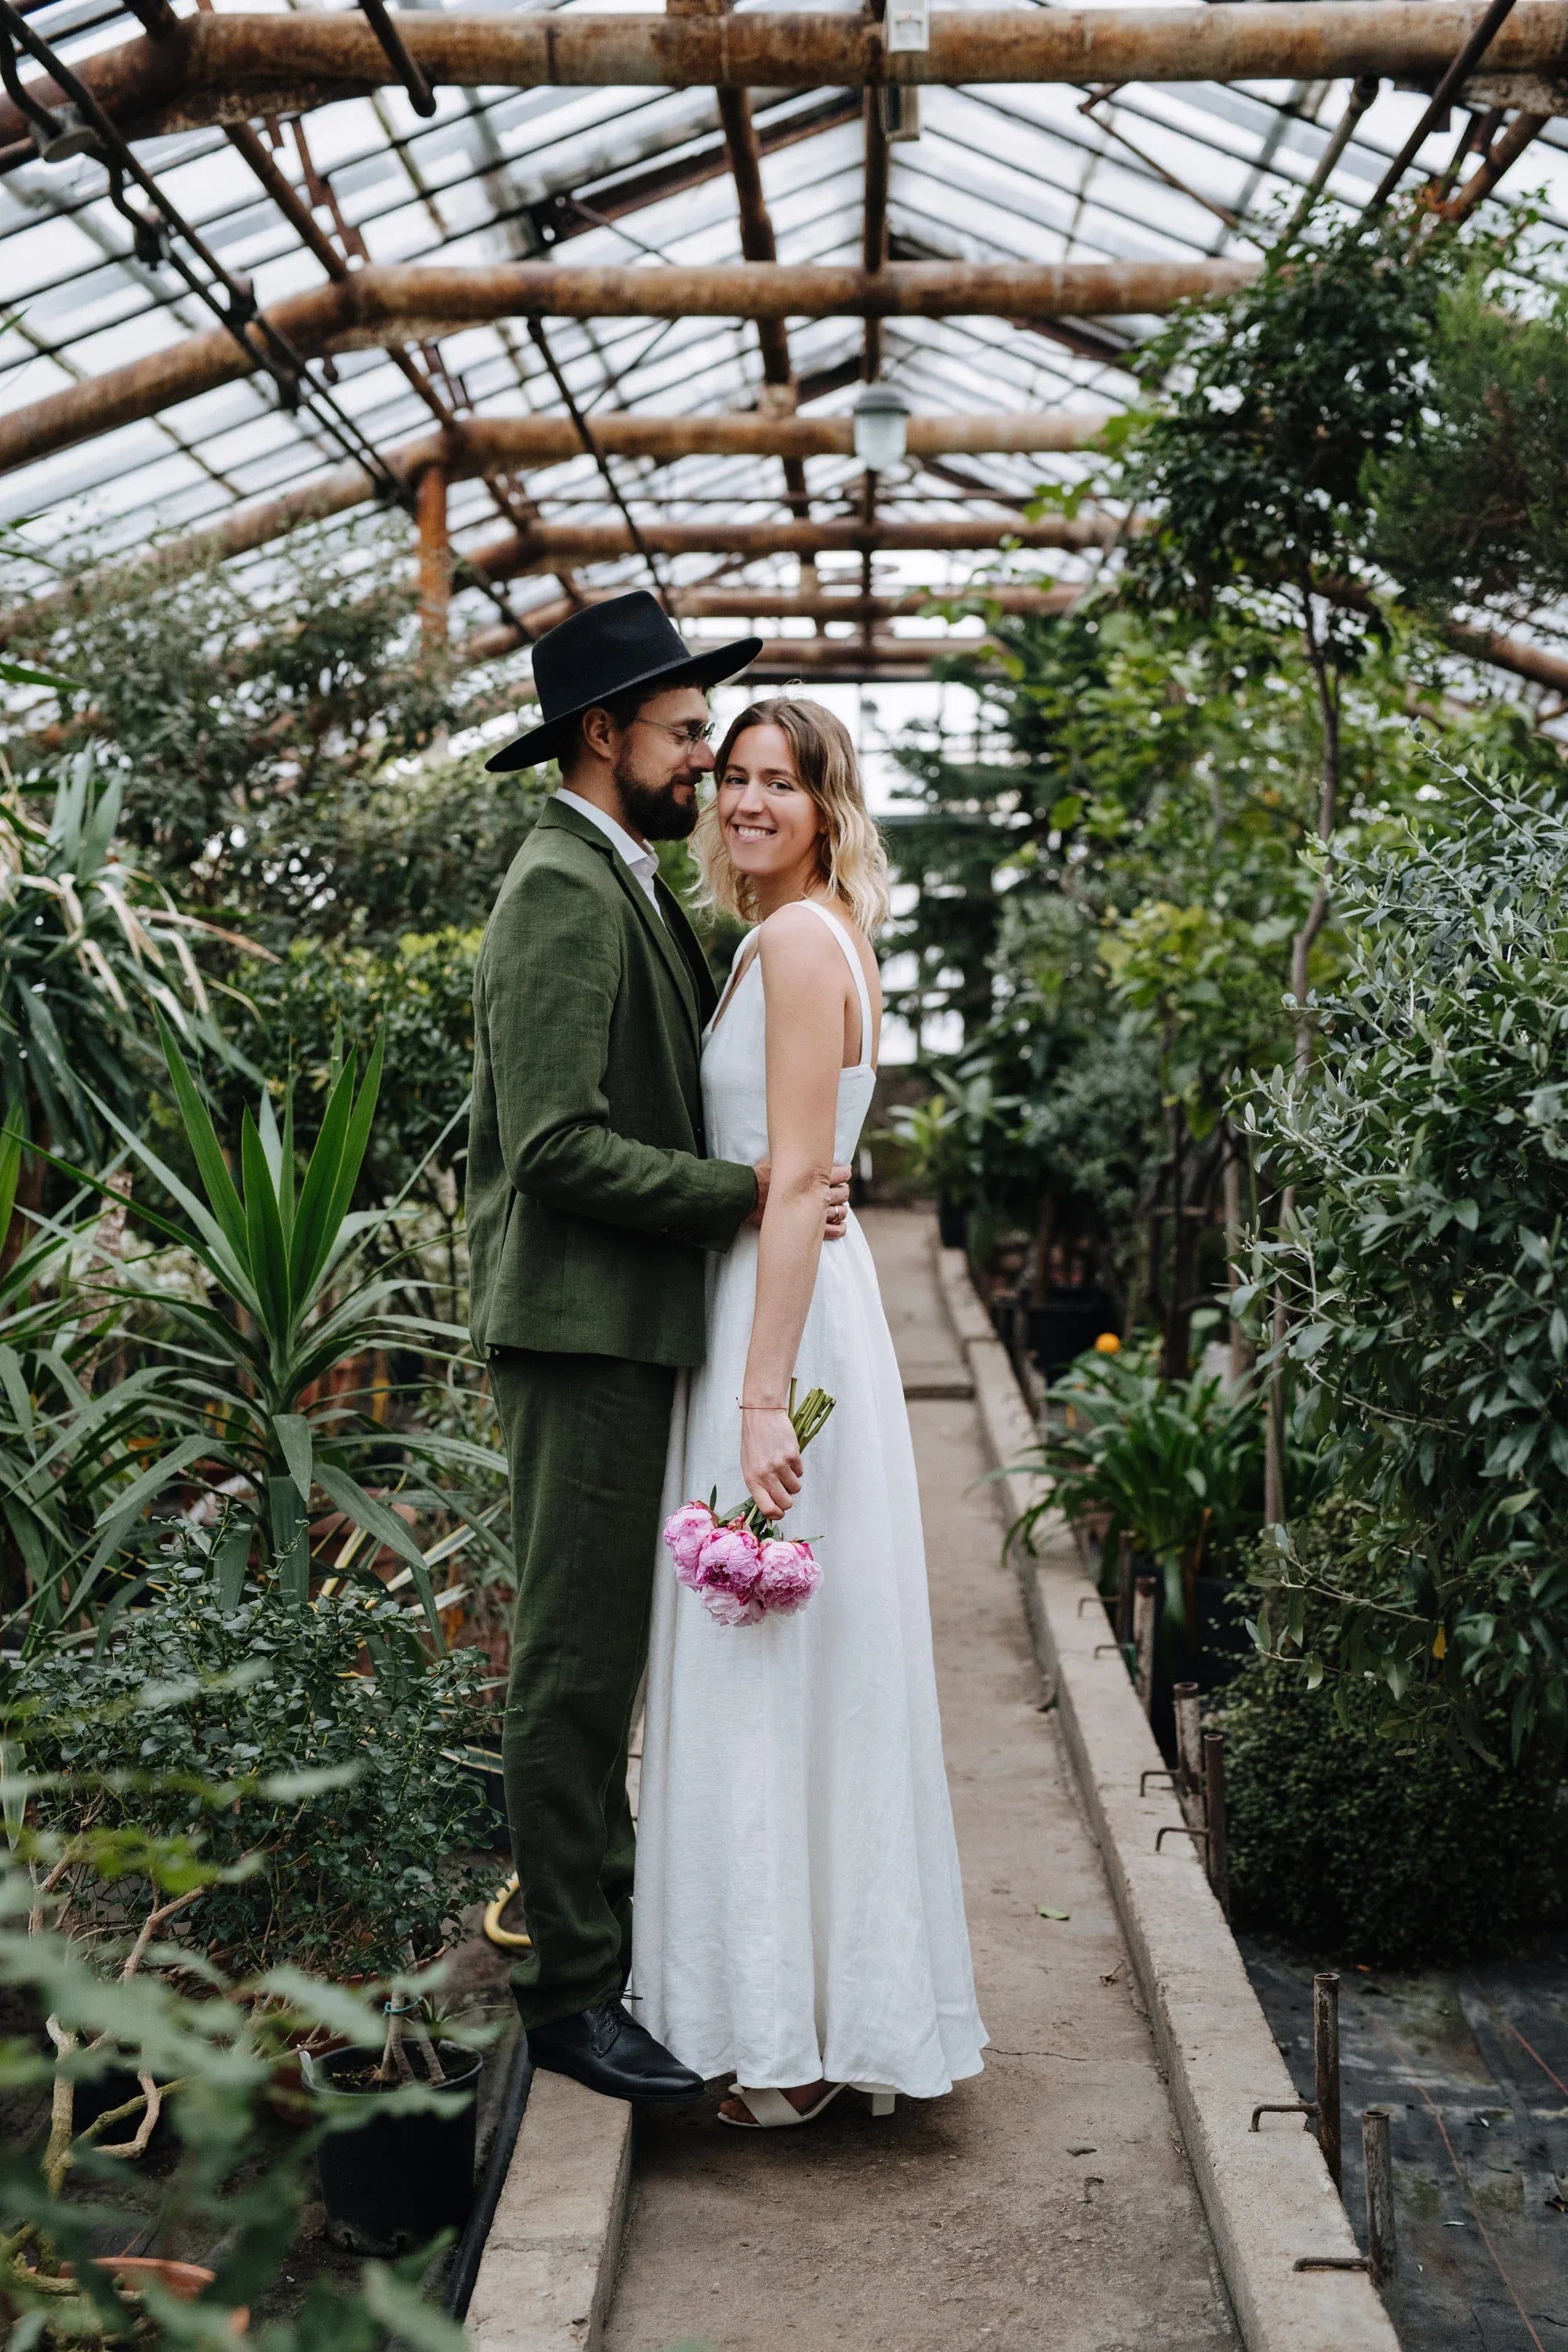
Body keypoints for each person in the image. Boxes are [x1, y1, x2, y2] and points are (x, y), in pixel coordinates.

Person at [466, 593, 852, 2106]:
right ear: (600, 735)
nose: (705, 762)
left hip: (629, 1324)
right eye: (688, 734)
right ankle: (569, 1994)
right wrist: (743, 1195)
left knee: (612, 1654)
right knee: (572, 1661)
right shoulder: (560, 888)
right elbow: (555, 1142)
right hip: (581, 1328)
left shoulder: (619, 877)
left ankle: (601, 1940)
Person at [629, 697, 987, 2128]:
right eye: (734, 780)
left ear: (829, 809)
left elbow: (787, 1179)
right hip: (790, 1303)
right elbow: (799, 1166)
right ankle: (815, 2020)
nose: (749, 803)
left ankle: (781, 2044)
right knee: (804, 1669)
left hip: (777, 1326)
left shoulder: (790, 941)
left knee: (768, 1675)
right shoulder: (812, 933)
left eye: (782, 783)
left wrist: (765, 1395)